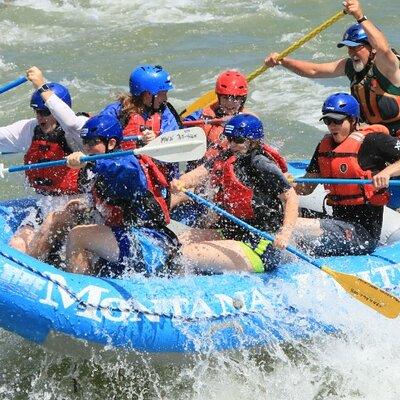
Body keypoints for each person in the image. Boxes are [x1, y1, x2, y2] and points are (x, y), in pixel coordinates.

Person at [34, 114, 178, 276]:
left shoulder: (126, 162)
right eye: (86, 142)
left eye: (93, 142)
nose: (87, 147)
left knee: (78, 235)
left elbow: (122, 169)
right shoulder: (98, 164)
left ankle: (79, 288)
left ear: (111, 143)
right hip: (125, 237)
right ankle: (31, 265)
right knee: (60, 216)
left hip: (148, 242)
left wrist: (90, 161)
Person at [171, 114, 298, 273]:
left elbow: (290, 196)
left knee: (188, 253)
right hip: (234, 232)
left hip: (261, 244)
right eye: (228, 138)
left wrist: (285, 233)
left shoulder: (261, 164)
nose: (232, 144)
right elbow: (199, 174)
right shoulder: (227, 156)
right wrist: (182, 182)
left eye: (238, 140)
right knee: (178, 241)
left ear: (253, 142)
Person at [264, 0, 400, 136]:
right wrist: (282, 61)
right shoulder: (350, 66)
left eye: (356, 47)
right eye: (349, 48)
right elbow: (314, 71)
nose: (351, 53)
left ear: (372, 49)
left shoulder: (388, 66)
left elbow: (383, 48)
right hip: (373, 135)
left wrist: (360, 17)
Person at [293, 92, 400, 257]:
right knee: (282, 217)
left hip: (362, 235)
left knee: (292, 226)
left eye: (337, 121)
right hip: (338, 224)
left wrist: (387, 172)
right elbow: (307, 187)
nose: (332, 126)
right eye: (328, 121)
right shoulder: (324, 148)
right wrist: (286, 185)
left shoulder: (373, 141)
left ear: (353, 120)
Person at [0, 67, 88, 252]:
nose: (40, 117)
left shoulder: (78, 132)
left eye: (45, 112)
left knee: (50, 222)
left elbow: (70, 121)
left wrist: (40, 85)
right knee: (18, 243)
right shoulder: (30, 129)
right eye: (37, 112)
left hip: (77, 205)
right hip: (44, 204)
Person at [98, 64, 182, 180]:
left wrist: (157, 140)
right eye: (163, 93)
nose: (165, 98)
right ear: (148, 93)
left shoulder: (165, 112)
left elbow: (174, 142)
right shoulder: (117, 111)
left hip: (157, 177)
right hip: (123, 171)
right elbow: (98, 135)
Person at [185, 69, 250, 163]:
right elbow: (180, 126)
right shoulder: (201, 115)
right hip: (204, 166)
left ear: (242, 100)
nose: (229, 103)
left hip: (232, 166)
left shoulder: (248, 119)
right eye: (225, 98)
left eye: (235, 98)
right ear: (219, 98)